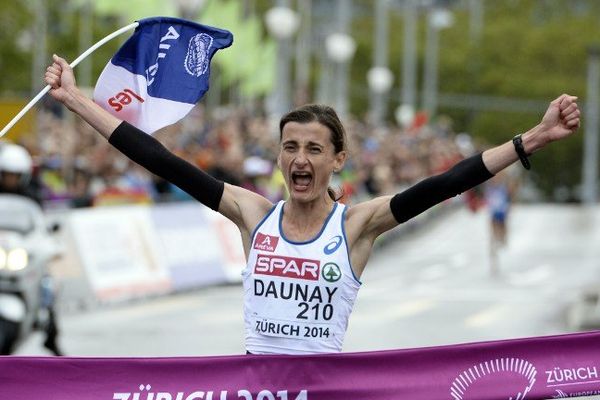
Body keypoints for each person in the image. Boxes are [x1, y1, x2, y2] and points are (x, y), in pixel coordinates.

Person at [44, 54, 581, 355]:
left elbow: (445, 183)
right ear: (279, 157)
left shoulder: (357, 225)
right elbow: (161, 159)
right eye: (290, 147)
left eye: (314, 149)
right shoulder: (253, 214)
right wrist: (75, 100)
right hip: (254, 386)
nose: (299, 160)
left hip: (326, 389)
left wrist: (530, 139)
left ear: (338, 160)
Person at [0, 143, 63, 356]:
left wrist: (47, 246)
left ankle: (50, 332)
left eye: (15, 175)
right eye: (7, 174)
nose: (11, 179)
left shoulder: (32, 195)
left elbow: (40, 228)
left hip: (19, 254)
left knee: (48, 283)